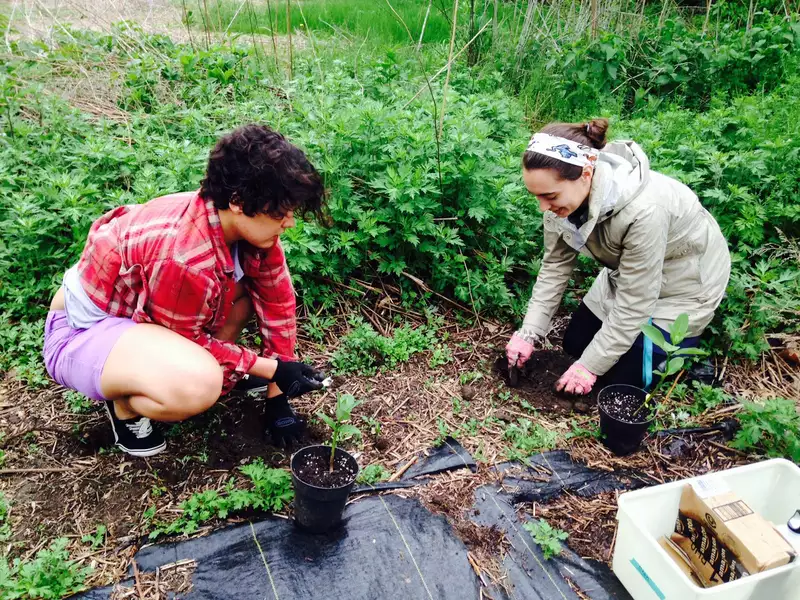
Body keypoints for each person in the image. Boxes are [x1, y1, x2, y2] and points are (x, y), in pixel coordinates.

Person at [43, 124, 327, 457]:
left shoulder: (246, 231)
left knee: (246, 296)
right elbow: (188, 339)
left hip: (141, 322)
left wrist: (278, 396)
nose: (289, 222)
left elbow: (277, 302)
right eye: (280, 213)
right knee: (200, 384)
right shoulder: (187, 257)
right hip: (81, 334)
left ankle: (205, 375)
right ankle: (125, 407)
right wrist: (272, 368)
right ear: (238, 202)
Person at [506, 119, 731, 396]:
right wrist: (529, 332)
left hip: (684, 284)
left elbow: (635, 303)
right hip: (630, 273)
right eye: (536, 196)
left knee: (620, 384)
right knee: (574, 346)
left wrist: (589, 367)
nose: (544, 207)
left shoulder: (645, 212)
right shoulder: (561, 205)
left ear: (586, 173)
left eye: (550, 195)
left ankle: (686, 347)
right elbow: (554, 268)